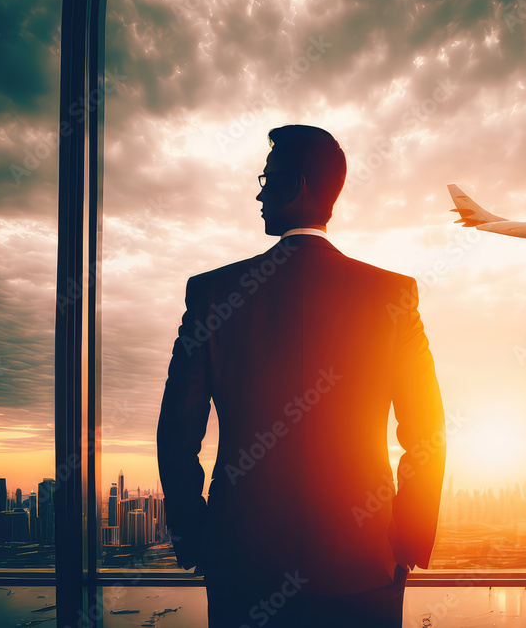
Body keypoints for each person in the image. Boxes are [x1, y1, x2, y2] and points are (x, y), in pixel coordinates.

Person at [157, 124, 446, 628]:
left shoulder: (212, 294)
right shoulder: (392, 297)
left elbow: (178, 432)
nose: (260, 193)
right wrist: (406, 543)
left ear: (299, 186)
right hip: (364, 569)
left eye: (268, 179)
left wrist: (197, 537)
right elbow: (427, 431)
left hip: (241, 568)